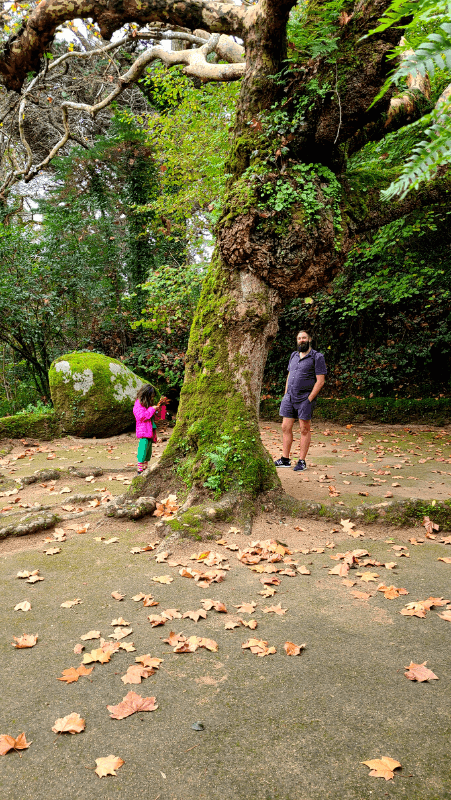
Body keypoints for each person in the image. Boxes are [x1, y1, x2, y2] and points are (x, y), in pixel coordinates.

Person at [274, 330, 327, 472]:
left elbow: (320, 381)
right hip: (289, 397)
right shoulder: (293, 355)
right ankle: (285, 459)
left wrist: (309, 399)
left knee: (304, 429)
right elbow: (289, 375)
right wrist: (286, 394)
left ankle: (302, 461)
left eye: (304, 338)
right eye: (299, 338)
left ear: (309, 339)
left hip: (305, 399)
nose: (301, 340)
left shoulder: (317, 357)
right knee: (285, 427)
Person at [133, 385, 167, 474]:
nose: (152, 399)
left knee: (148, 450)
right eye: (151, 396)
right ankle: (140, 467)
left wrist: (161, 408)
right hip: (143, 431)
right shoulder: (138, 404)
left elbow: (159, 417)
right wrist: (152, 409)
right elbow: (141, 416)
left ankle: (145, 466)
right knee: (143, 448)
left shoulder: (148, 405)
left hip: (150, 431)